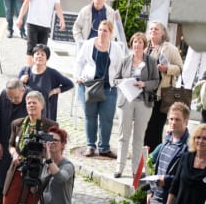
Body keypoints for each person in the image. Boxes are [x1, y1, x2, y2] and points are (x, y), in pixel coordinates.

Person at [113, 32, 160, 178]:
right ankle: (119, 167)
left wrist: (144, 84)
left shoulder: (151, 61)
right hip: (126, 100)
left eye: (140, 42)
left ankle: (135, 170)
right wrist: (125, 83)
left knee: (139, 137)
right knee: (123, 135)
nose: (137, 45)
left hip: (143, 102)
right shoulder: (125, 60)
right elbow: (115, 79)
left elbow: (156, 81)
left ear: (144, 45)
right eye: (135, 42)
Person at [75, 19, 124, 158]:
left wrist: (118, 81)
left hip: (109, 88)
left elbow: (121, 66)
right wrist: (78, 77)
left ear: (111, 33)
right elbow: (79, 62)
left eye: (105, 31)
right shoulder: (89, 44)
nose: (102, 33)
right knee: (90, 116)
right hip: (90, 86)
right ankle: (90, 146)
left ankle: (104, 147)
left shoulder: (116, 48)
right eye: (100, 30)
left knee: (107, 118)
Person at [143, 21, 183, 152]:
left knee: (157, 126)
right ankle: (143, 154)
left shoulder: (170, 49)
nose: (153, 31)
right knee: (144, 126)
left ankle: (154, 155)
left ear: (163, 33)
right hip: (145, 93)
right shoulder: (145, 47)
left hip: (163, 94)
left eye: (156, 29)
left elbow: (179, 68)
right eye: (151, 29)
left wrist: (167, 68)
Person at [16, 0, 65, 67]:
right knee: (31, 48)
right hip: (32, 22)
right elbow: (26, 3)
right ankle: (29, 71)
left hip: (45, 25)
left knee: (43, 50)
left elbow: (58, 6)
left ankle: (39, 72)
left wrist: (62, 20)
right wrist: (20, 18)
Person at [0, 79, 27, 204]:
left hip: (21, 152)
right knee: (2, 184)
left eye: (16, 97)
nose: (12, 100)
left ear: (23, 90)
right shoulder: (3, 95)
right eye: (9, 97)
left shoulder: (31, 100)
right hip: (5, 149)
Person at [18, 43, 73, 121]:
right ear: (33, 57)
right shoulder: (25, 71)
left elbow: (69, 84)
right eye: (37, 54)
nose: (40, 56)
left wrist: (54, 91)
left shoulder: (52, 73)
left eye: (43, 54)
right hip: (25, 113)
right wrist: (21, 81)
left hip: (45, 114)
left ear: (47, 58)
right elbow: (15, 90)